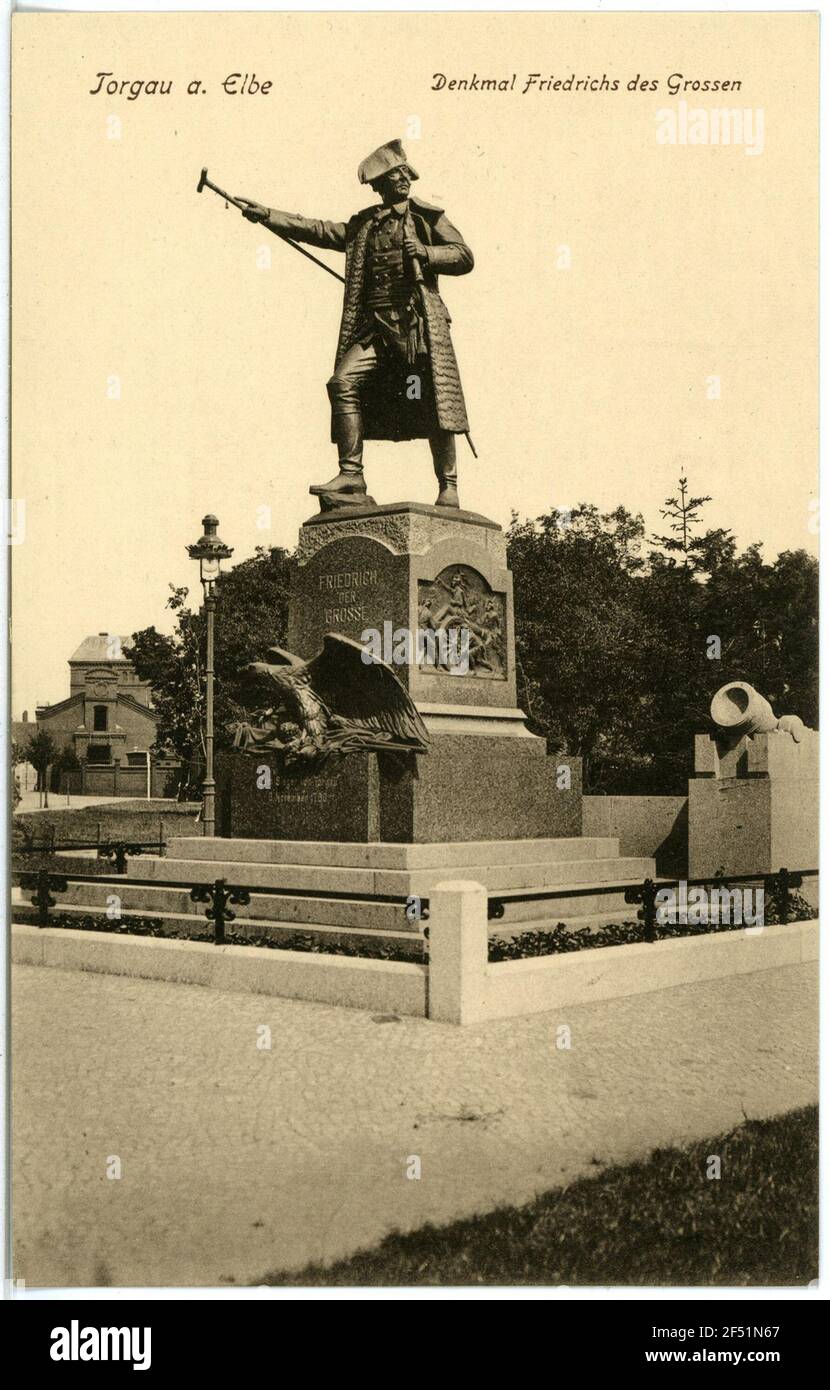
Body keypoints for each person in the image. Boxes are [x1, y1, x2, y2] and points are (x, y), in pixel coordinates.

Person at [238, 139, 474, 509]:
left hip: (416, 327)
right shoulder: (365, 224)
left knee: (431, 400)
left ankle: (449, 485)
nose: (402, 180)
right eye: (394, 177)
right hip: (376, 328)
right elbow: (316, 229)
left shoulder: (427, 218)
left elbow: (463, 255)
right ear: (380, 185)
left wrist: (428, 253)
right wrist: (267, 214)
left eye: (403, 174)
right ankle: (352, 475)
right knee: (342, 383)